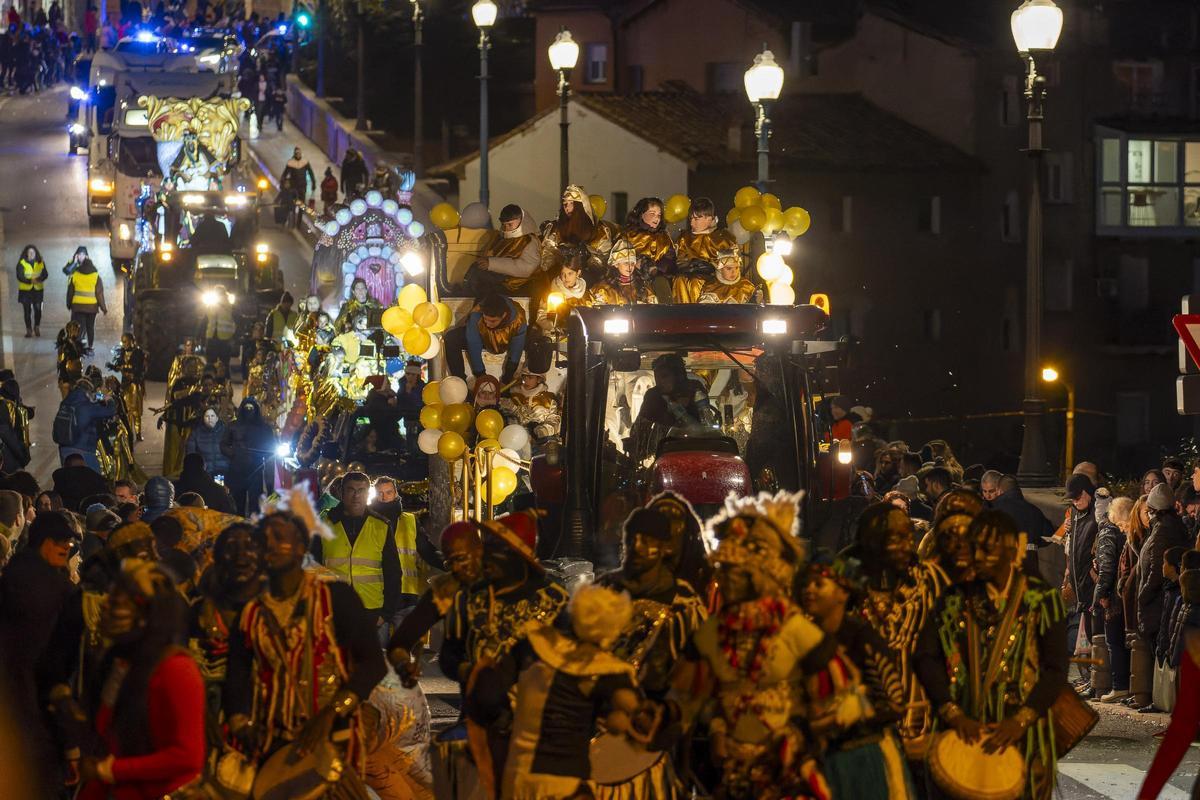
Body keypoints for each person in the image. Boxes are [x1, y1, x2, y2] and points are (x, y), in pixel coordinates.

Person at [673, 491, 868, 799]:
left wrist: (796, 735)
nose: (726, 579)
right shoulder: (714, 632)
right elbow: (689, 700)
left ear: (764, 573)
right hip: (731, 775)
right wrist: (717, 728)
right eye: (724, 570)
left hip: (787, 776)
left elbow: (847, 706)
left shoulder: (794, 629)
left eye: (737, 571)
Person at [225, 512, 387, 790]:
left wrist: (331, 714)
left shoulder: (335, 598)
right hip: (272, 741)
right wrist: (241, 723)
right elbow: (236, 675)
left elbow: (373, 664)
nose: (271, 546)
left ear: (302, 547)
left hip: (332, 737)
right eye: (263, 541)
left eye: (280, 538)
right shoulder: (251, 610)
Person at [914, 510, 1069, 800]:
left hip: (1021, 732)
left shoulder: (1041, 599)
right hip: (961, 726)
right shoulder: (953, 599)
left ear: (1011, 548)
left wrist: (1021, 720)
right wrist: (951, 712)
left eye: (988, 548)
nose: (979, 555)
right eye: (974, 547)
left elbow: (1056, 668)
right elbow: (926, 656)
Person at [441, 512, 569, 796]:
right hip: (478, 728)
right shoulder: (468, 599)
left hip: (540, 737)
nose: (485, 557)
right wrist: (473, 672)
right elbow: (448, 656)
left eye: (495, 550)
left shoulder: (556, 600)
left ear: (518, 555)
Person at [75, 559, 205, 799]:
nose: (106, 608)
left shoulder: (177, 670)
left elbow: (187, 756)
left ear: (146, 614)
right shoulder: (121, 662)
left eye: (118, 602)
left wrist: (111, 770)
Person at [503, 584, 642, 800]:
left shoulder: (533, 645)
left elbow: (488, 696)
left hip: (517, 778)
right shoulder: (610, 672)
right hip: (568, 783)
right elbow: (634, 723)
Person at [800, 555, 917, 799]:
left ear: (843, 594)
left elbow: (895, 703)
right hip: (823, 761)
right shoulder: (803, 639)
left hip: (865, 759)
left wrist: (856, 709)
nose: (809, 590)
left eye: (818, 584)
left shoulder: (863, 637)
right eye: (806, 584)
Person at [848, 502, 948, 778]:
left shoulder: (928, 580)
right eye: (896, 537)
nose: (907, 543)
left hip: (918, 718)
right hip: (861, 719)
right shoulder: (844, 581)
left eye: (908, 536)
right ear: (873, 540)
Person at [0, 511, 81, 797]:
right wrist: (70, 742)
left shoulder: (10, 576)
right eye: (66, 544)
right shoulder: (58, 591)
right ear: (47, 543)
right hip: (37, 717)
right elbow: (54, 669)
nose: (68, 550)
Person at [315, 471, 415, 643]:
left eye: (361, 490)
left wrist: (385, 614)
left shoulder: (380, 526)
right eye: (351, 490)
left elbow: (393, 573)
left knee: (374, 667)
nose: (356, 495)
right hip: (333, 612)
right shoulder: (324, 525)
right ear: (341, 492)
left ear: (368, 493)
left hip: (372, 613)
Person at [1137, 482, 1189, 698]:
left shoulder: (1162, 530)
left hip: (1158, 598)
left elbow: (1156, 567)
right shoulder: (1166, 526)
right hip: (1161, 595)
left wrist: (1144, 594)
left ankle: (1160, 696)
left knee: (1160, 646)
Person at [1064, 473, 1100, 695]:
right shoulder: (1077, 515)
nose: (1075, 501)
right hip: (1080, 586)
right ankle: (1090, 679)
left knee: (1096, 636)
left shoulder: (1096, 514)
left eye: (1078, 497)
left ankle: (1096, 680)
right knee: (1084, 637)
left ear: (1088, 493)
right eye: (1073, 499)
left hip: (1092, 585)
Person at [443, 292, 527, 385]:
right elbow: (473, 345)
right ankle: (460, 384)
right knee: (451, 338)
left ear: (504, 315)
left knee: (538, 342)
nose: (487, 324)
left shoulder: (518, 319)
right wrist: (481, 376)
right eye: (485, 319)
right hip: (484, 339)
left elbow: (517, 349)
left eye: (492, 321)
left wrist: (507, 378)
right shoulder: (477, 313)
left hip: (507, 340)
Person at [538, 184, 617, 281]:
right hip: (559, 278)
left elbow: (603, 258)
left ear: (581, 206)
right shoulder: (555, 228)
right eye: (565, 204)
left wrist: (582, 273)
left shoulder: (598, 230)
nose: (567, 207)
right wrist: (553, 270)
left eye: (572, 203)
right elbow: (548, 253)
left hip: (589, 280)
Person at [1096, 496, 1133, 702]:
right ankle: (1124, 685)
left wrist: (1101, 593)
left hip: (1116, 598)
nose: (1119, 528)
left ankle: (1120, 686)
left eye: (1119, 523)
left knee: (1114, 642)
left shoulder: (1113, 533)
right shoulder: (1126, 535)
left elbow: (1108, 567)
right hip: (1122, 595)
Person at [463, 203, 541, 298]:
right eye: (504, 225)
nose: (507, 228)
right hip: (501, 278)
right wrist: (485, 262)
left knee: (481, 278)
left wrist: (492, 264)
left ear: (521, 221)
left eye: (510, 225)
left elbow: (527, 268)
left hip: (517, 284)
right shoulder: (501, 238)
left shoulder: (528, 240)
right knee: (477, 271)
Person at [220, 397, 275, 516]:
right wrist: (234, 454)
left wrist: (263, 456)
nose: (249, 410)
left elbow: (271, 448)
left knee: (255, 504)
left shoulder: (264, 428)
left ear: (256, 409)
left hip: (256, 470)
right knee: (237, 503)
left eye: (251, 408)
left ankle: (253, 529)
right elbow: (223, 444)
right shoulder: (233, 426)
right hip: (237, 469)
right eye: (246, 408)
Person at [55, 379, 118, 473]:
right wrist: (109, 399)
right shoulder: (87, 407)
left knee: (70, 478)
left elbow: (94, 396)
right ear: (88, 392)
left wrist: (99, 396)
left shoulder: (66, 402)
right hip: (83, 451)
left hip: (64, 448)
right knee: (91, 480)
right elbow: (110, 411)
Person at [157, 357, 204, 479]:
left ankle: (185, 476)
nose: (192, 369)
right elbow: (175, 399)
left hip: (192, 423)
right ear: (184, 368)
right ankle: (169, 477)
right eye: (190, 366)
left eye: (194, 366)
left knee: (187, 451)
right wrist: (164, 416)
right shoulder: (178, 382)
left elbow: (199, 400)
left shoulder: (199, 382)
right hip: (176, 422)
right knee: (173, 452)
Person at [623, 196, 676, 298]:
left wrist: (655, 268)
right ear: (641, 214)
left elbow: (670, 260)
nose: (656, 218)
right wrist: (637, 264)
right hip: (632, 274)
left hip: (657, 277)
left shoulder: (664, 237)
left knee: (661, 283)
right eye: (652, 214)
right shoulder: (628, 235)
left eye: (659, 215)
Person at [673, 197, 737, 280]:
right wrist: (689, 265)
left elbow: (731, 265)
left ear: (709, 218)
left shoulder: (723, 238)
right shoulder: (684, 239)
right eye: (691, 219)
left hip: (715, 280)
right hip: (687, 277)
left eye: (696, 219)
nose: (692, 223)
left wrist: (710, 266)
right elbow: (678, 261)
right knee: (680, 280)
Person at [585, 239, 657, 306]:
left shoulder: (643, 286)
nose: (630, 267)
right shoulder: (603, 289)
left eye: (632, 263)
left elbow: (653, 310)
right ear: (616, 264)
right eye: (626, 263)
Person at [106, 332, 147, 442]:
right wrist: (114, 367)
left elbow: (139, 369)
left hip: (134, 385)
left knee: (136, 411)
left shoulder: (138, 353)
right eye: (122, 341)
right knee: (127, 410)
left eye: (125, 341)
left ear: (131, 341)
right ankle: (129, 433)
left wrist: (127, 369)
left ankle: (138, 434)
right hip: (125, 386)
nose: (124, 344)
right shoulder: (123, 352)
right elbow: (120, 366)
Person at [534, 253, 588, 333]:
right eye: (563, 274)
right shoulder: (552, 293)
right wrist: (556, 327)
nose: (566, 278)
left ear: (578, 273)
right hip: (557, 335)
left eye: (570, 273)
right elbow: (541, 318)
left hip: (581, 333)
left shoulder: (585, 291)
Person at [66, 256, 107, 352]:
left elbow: (70, 292)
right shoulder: (96, 276)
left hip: (78, 306)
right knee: (90, 327)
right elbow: (99, 294)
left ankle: (77, 346)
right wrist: (103, 308)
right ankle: (91, 346)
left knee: (79, 327)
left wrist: (69, 304)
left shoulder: (75, 275)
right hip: (92, 308)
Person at [185, 406, 230, 478]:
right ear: (203, 418)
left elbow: (233, 451)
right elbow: (191, 454)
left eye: (212, 416)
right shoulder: (196, 433)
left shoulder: (226, 432)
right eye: (207, 416)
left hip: (224, 471)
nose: (210, 419)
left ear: (217, 418)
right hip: (205, 473)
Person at [15, 243, 47, 337]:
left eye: (33, 252)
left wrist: (39, 279)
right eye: (29, 252)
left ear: (36, 253)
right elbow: (19, 276)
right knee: (27, 311)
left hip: (37, 291)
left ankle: (36, 326)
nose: (31, 254)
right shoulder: (21, 263)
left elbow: (45, 274)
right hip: (26, 291)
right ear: (26, 254)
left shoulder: (40, 262)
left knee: (38, 310)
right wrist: (30, 280)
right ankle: (29, 330)